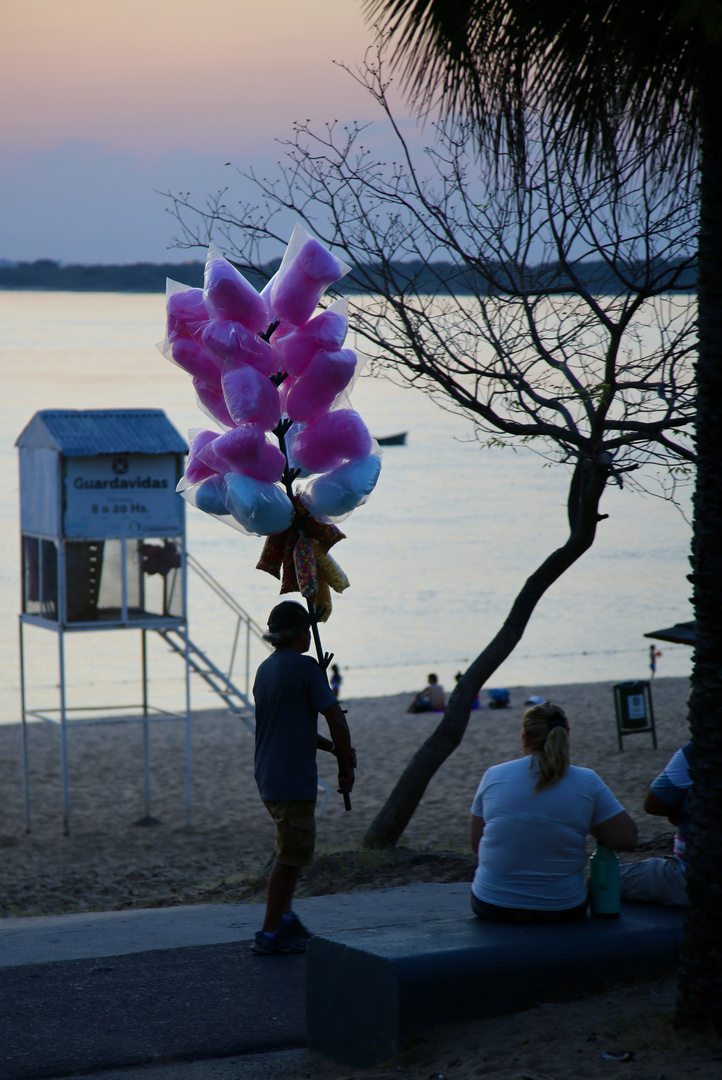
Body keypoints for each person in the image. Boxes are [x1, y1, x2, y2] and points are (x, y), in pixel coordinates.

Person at [469, 701, 637, 923]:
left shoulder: (494, 775)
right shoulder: (587, 781)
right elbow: (628, 840)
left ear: (525, 738)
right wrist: (588, 822)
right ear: (566, 738)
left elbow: (476, 845)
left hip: (492, 904)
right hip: (561, 908)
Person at [251, 600, 356, 955]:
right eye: (308, 629)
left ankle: (285, 917)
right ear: (301, 632)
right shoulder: (307, 668)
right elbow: (336, 719)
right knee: (291, 853)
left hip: (268, 776)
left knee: (293, 848)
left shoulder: (266, 669)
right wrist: (346, 765)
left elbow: (295, 725)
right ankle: (269, 932)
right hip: (290, 778)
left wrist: (330, 751)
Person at [619, 742, 692, 907]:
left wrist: (678, 807)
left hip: (690, 878)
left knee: (601, 880)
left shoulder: (697, 753)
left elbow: (652, 804)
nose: (688, 717)